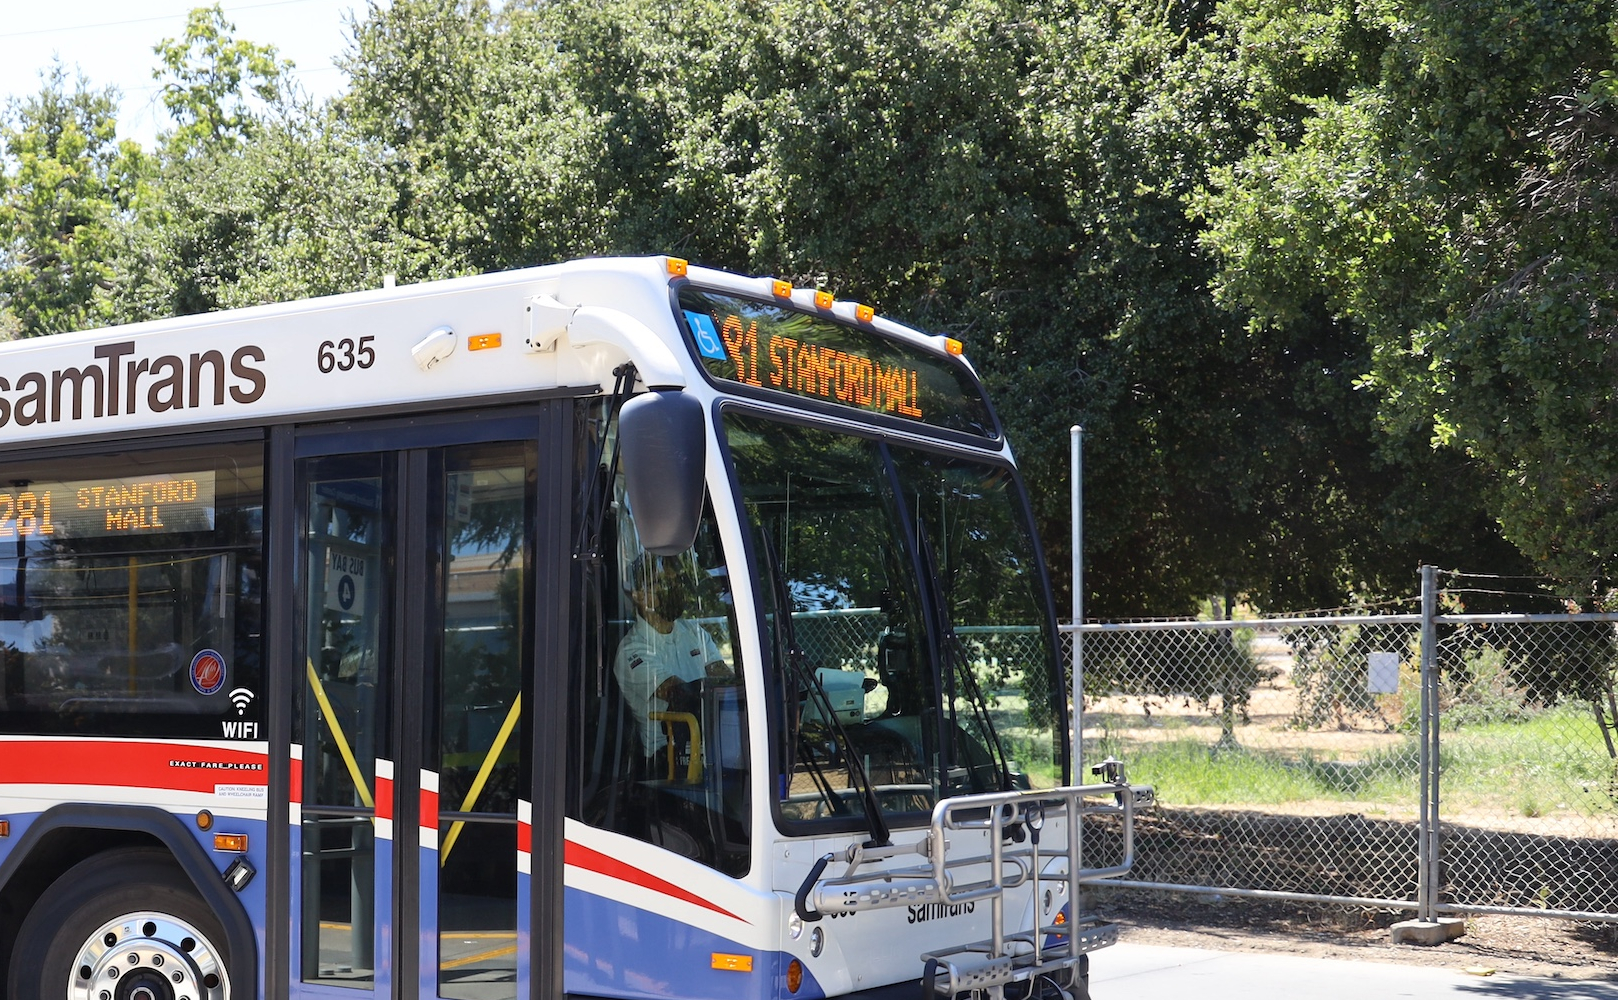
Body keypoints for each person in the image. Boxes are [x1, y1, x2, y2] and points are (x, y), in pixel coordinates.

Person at [613, 553, 732, 776]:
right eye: (661, 583)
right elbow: (680, 695)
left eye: (675, 581)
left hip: (710, 748)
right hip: (665, 761)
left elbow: (725, 681)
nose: (673, 588)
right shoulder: (632, 651)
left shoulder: (694, 633)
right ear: (639, 595)